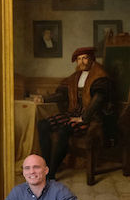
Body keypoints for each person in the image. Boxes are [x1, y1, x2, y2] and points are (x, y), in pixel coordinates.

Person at [36, 46, 114, 180]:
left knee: (63, 130)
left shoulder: (100, 75)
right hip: (74, 111)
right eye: (79, 59)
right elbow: (62, 94)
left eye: (85, 58)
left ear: (92, 59)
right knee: (42, 124)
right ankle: (47, 165)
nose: (81, 62)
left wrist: (84, 118)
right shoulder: (76, 76)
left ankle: (51, 173)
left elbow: (98, 100)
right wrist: (44, 98)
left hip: (92, 117)